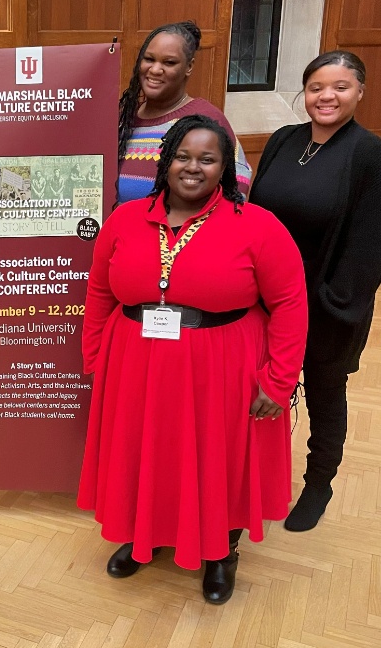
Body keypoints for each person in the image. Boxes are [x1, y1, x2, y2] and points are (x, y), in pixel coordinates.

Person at [79, 114, 307, 603]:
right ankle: (145, 539)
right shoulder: (125, 218)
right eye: (183, 156)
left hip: (222, 366)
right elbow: (99, 292)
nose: (193, 167)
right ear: (166, 162)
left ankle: (222, 552)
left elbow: (290, 302)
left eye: (207, 159)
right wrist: (97, 357)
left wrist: (279, 380)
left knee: (216, 458)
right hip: (135, 363)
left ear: (224, 169)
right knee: (147, 451)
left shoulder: (257, 225)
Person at [250, 50, 381, 532]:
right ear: (304, 93)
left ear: (360, 92)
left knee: (326, 395)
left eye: (341, 87)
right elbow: (256, 217)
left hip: (328, 306)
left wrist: (329, 303)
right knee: (263, 390)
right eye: (316, 87)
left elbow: (370, 245)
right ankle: (260, 477)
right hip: (267, 302)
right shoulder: (285, 140)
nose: (327, 96)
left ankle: (318, 484)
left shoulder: (368, 152)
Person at [117, 20, 251, 204]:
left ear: (189, 67)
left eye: (169, 62)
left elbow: (237, 185)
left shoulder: (205, 120)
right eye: (149, 59)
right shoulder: (122, 119)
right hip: (118, 230)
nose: (155, 69)